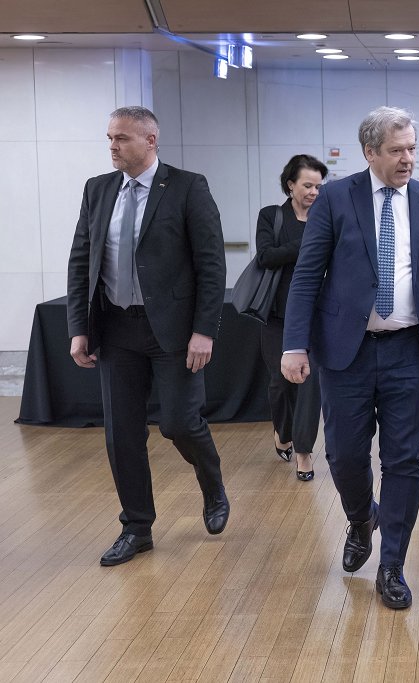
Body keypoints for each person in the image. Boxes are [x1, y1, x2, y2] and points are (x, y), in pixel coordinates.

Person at [281, 106, 419, 611]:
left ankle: (392, 565)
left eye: (412, 149)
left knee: (404, 460)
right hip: (346, 352)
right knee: (344, 455)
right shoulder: (336, 198)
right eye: (397, 150)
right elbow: (307, 274)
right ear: (370, 152)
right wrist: (294, 344)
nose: (408, 159)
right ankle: (361, 517)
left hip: (409, 351)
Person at [67, 106, 229, 566]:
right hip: (116, 328)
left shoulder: (188, 187)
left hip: (173, 331)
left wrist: (204, 330)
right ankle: (136, 527)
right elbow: (81, 261)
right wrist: (79, 329)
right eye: (109, 138)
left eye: (121, 138)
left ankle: (212, 483)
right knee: (121, 434)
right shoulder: (98, 189)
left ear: (150, 140)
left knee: (178, 422)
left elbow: (211, 264)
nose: (113, 146)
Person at [255, 154, 328, 481]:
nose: (314, 192)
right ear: (290, 185)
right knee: (280, 382)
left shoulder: (325, 217)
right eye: (307, 185)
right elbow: (266, 256)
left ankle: (304, 453)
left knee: (309, 386)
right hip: (276, 314)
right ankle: (283, 432)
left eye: (318, 186)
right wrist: (307, 244)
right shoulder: (272, 216)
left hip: (315, 315)